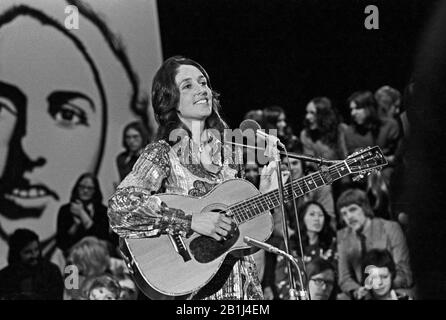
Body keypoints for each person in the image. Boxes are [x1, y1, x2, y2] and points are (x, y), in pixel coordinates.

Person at [107, 56, 280, 300]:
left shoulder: (231, 153)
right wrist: (189, 221)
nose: (202, 90)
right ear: (171, 100)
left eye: (204, 83)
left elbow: (241, 229)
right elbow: (120, 208)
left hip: (243, 287)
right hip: (195, 289)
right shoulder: (162, 153)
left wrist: (267, 192)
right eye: (188, 86)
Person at [0, 0, 149, 268]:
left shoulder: (105, 212)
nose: (29, 148)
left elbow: (105, 237)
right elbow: (64, 243)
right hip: (72, 267)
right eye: (3, 109)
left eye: (68, 114)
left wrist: (86, 219)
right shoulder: (63, 214)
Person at [336, 189, 412, 300]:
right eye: (344, 213)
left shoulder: (390, 228)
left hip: (391, 287)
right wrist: (358, 291)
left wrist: (382, 288)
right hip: (364, 292)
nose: (349, 217)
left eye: (353, 210)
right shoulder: (344, 238)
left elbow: (404, 271)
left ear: (365, 208)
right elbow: (344, 278)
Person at [340, 91, 400, 186]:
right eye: (351, 109)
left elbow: (398, 156)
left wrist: (375, 159)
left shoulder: (390, 126)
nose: (353, 113)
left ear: (370, 108)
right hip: (362, 179)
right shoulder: (349, 132)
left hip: (388, 176)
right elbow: (355, 163)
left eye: (358, 108)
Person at [56, 173, 113, 256]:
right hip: (72, 254)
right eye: (82, 187)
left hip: (97, 253)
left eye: (89, 188)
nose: (85, 191)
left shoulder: (102, 211)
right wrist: (76, 225)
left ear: (95, 191)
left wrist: (82, 214)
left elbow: (102, 237)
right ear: (77, 188)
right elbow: (61, 242)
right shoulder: (65, 210)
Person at [0, 229, 64, 300]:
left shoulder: (51, 271)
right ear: (16, 254)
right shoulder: (5, 276)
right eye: (28, 252)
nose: (34, 255)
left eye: (36, 250)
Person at [300, 97, 347, 161]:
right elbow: (310, 162)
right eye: (307, 112)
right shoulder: (305, 134)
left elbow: (346, 156)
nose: (307, 117)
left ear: (324, 114)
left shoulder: (340, 129)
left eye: (312, 113)